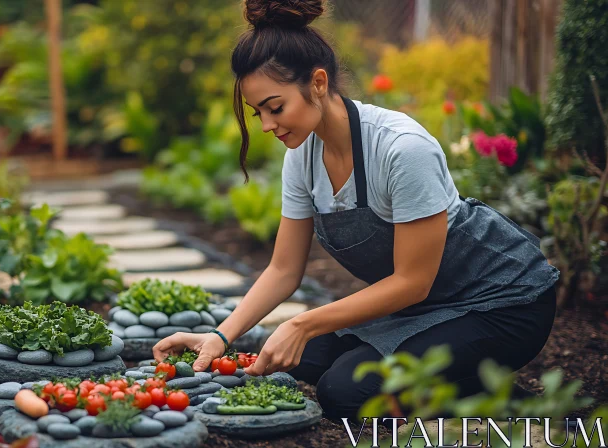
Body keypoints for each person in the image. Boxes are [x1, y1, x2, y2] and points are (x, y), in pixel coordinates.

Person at [153, 0, 559, 421]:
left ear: (318, 82)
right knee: (301, 357)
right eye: (259, 114)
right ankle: (460, 371)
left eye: (276, 107)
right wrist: (221, 335)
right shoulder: (303, 155)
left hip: (505, 303)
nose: (268, 125)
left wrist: (304, 322)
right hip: (429, 307)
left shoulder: (402, 149)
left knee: (344, 393)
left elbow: (412, 282)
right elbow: (284, 270)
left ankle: (495, 395)